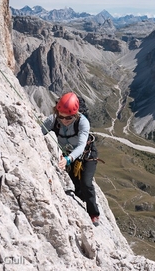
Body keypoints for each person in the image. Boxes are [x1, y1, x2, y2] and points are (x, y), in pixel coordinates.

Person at [41, 92, 100, 226]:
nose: (63, 120)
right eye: (61, 117)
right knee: (76, 184)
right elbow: (39, 132)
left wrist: (68, 159)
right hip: (68, 155)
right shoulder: (53, 119)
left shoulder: (83, 122)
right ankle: (80, 199)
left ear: (76, 115)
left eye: (68, 118)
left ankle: (93, 213)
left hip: (86, 156)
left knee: (86, 183)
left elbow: (81, 146)